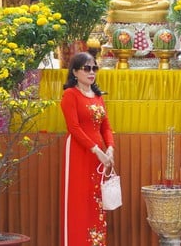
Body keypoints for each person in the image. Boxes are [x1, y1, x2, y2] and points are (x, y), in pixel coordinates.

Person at [60, 52, 115, 246]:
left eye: (94, 68)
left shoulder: (98, 96)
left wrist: (110, 149)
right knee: (79, 201)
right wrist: (97, 150)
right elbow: (73, 128)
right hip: (78, 152)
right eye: (87, 68)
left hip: (98, 156)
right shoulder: (70, 95)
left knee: (96, 200)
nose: (91, 72)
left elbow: (106, 127)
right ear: (75, 72)